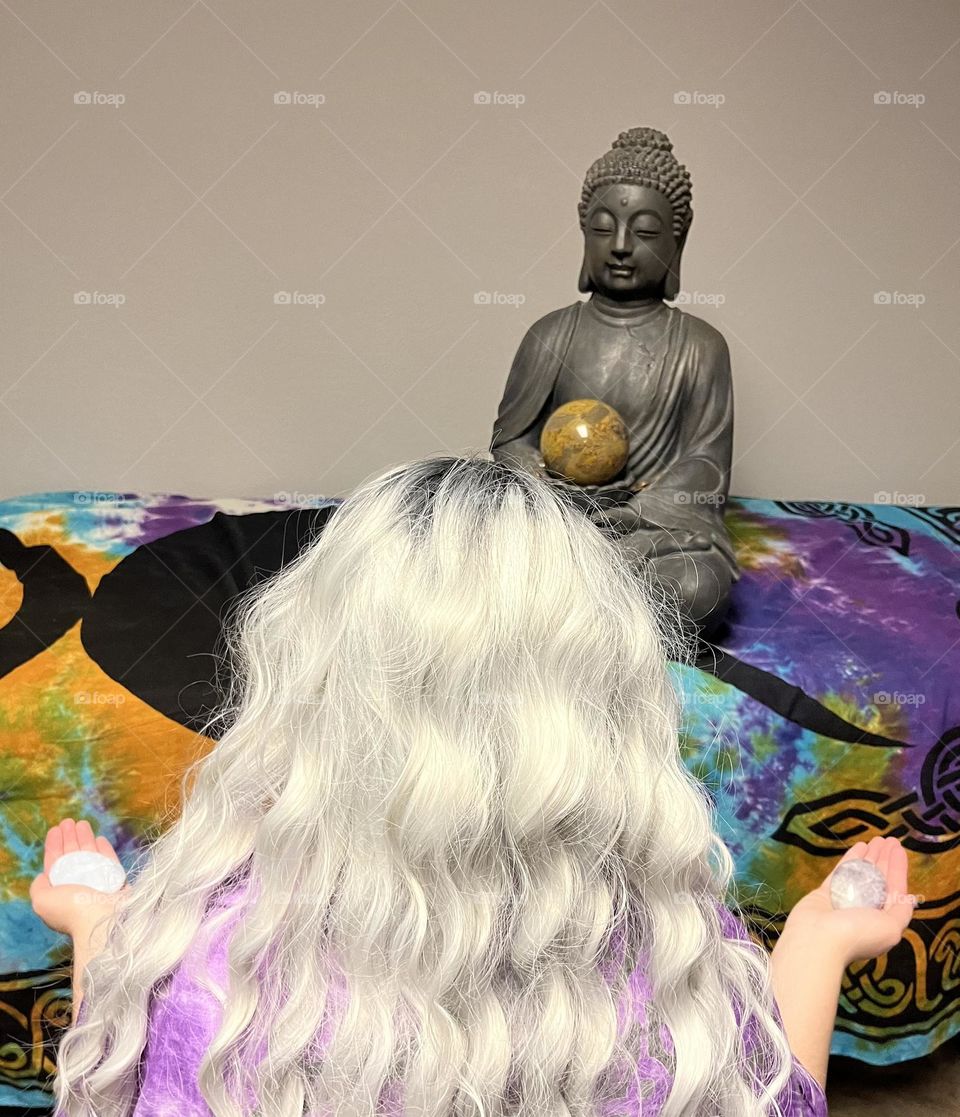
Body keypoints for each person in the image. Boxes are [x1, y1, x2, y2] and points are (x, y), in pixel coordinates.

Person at [31, 454, 915, 1116]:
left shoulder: (215, 963)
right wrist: (818, 942)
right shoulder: (674, 956)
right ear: (606, 697)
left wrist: (101, 928)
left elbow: (113, 1080)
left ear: (312, 675)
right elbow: (772, 1099)